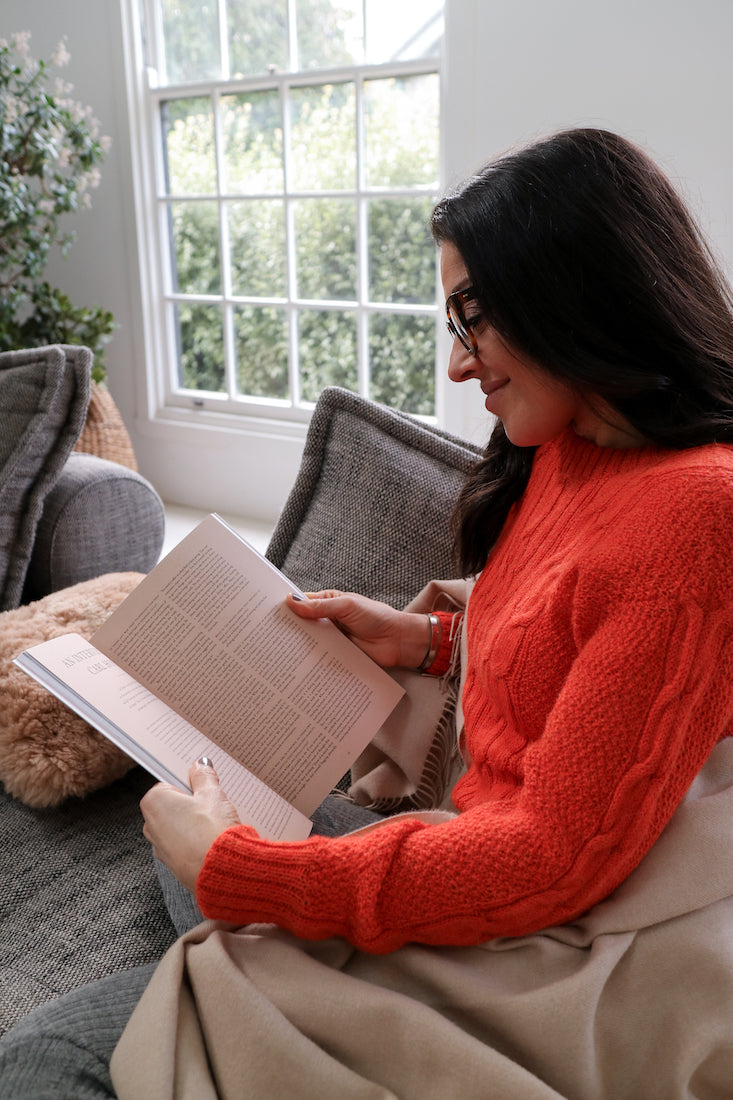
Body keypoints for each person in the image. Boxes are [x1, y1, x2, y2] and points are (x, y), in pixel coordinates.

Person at [3, 125, 733, 1096]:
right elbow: (586, 646)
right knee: (193, 789)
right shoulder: (570, 447)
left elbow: (556, 857)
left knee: (50, 1057)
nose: (459, 367)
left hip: (538, 940)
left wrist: (240, 874)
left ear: (572, 291)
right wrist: (431, 640)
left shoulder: (699, 510)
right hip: (483, 865)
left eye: (473, 318)